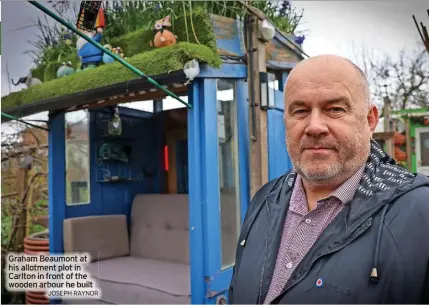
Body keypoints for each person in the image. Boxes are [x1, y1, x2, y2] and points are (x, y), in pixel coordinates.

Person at [228, 55, 429, 304]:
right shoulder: (264, 199)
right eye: (300, 110)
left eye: (335, 109)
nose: (314, 127)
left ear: (370, 120)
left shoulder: (421, 215)